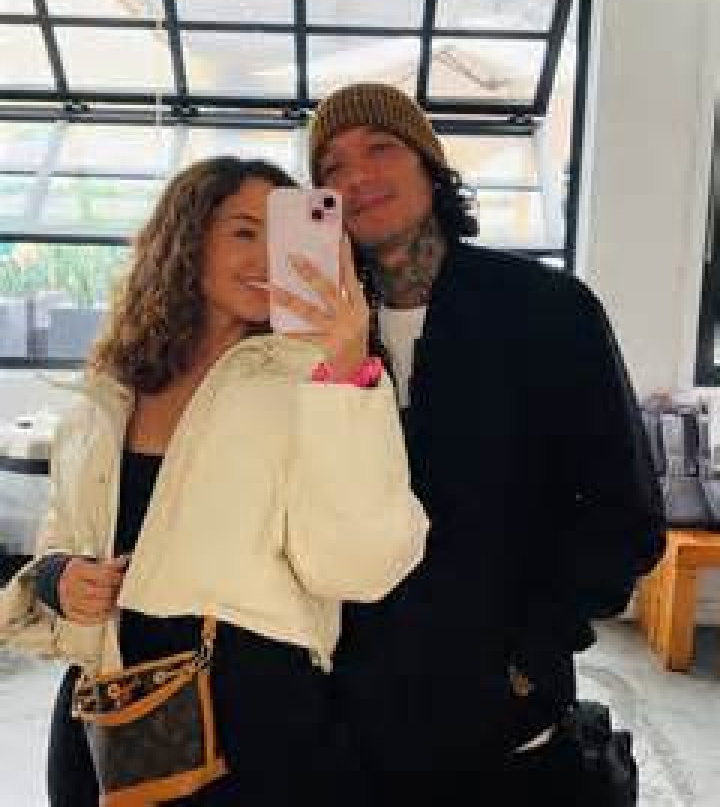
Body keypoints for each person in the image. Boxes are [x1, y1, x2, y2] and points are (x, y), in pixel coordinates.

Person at [0, 156, 428, 805]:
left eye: (283, 235)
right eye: (243, 232)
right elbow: (62, 530)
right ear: (186, 240)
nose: (267, 256)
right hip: (108, 706)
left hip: (248, 717)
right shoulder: (115, 385)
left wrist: (346, 372)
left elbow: (358, 567)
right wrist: (60, 577)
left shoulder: (315, 377)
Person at [309, 82, 666, 797]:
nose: (356, 177)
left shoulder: (546, 309)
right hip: (352, 715)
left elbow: (623, 509)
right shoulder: (311, 333)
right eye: (331, 167)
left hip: (506, 718)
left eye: (380, 148)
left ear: (430, 167)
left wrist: (534, 648)